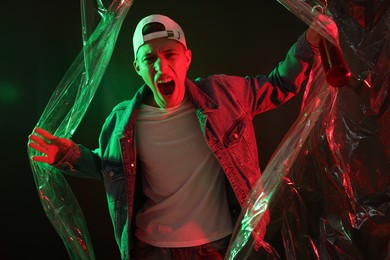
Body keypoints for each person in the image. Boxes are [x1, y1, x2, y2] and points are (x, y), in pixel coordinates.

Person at [29, 14, 321, 259]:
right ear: (138, 67)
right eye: (150, 59)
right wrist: (69, 156)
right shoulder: (120, 122)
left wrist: (311, 40)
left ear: (187, 58)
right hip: (151, 250)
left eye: (170, 54)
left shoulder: (225, 96)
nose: (161, 66)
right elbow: (112, 171)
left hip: (219, 247)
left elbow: (279, 84)